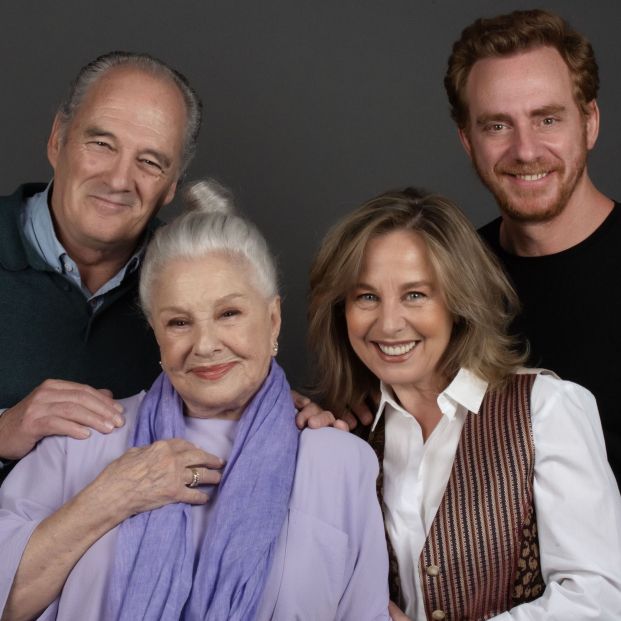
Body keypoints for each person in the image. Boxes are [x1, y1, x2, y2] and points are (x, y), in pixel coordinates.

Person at [0, 180, 390, 621]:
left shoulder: (339, 461)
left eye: (229, 314)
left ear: (273, 318)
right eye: (180, 322)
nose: (205, 345)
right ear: (156, 333)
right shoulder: (83, 437)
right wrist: (108, 499)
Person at [0, 51, 329, 481]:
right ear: (57, 139)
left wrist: (277, 406)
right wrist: (5, 430)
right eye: (101, 144)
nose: (119, 180)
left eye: (150, 162)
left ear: (172, 185)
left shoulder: (187, 278)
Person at [308, 188, 621, 620]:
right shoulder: (346, 435)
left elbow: (600, 598)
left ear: (458, 300)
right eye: (366, 297)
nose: (389, 323)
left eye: (415, 294)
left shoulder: (547, 409)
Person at [444, 9, 621, 485]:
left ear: (589, 123)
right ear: (467, 141)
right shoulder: (450, 284)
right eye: (497, 126)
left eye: (547, 119)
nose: (525, 151)